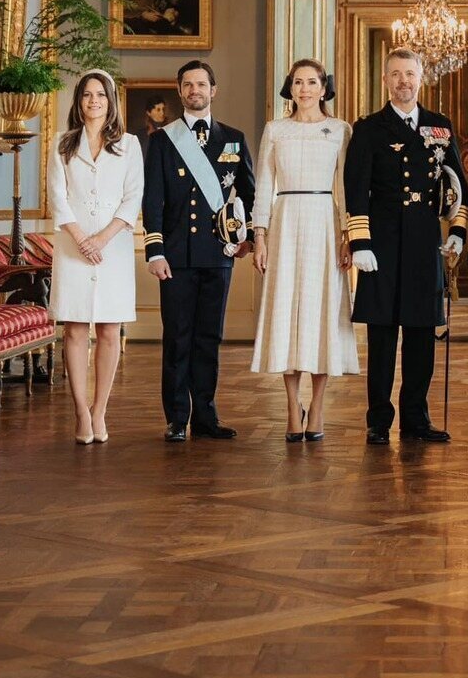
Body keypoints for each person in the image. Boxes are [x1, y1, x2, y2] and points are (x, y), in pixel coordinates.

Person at [343, 47, 468, 445]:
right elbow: (355, 189)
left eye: (409, 74)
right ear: (385, 81)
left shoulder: (439, 126)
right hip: (378, 245)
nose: (403, 81)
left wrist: (458, 231)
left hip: (423, 246)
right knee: (382, 338)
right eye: (395, 74)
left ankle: (416, 418)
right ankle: (378, 420)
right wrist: (359, 240)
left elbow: (459, 186)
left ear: (421, 77)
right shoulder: (368, 128)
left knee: (420, 336)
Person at [143, 59, 255, 441]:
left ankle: (206, 416)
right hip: (175, 255)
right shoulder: (161, 140)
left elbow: (250, 195)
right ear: (180, 91)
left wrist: (248, 238)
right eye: (188, 85)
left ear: (213, 90)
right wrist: (154, 250)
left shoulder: (234, 139)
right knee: (177, 337)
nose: (195, 90)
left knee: (209, 337)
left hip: (217, 254)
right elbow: (153, 199)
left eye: (202, 84)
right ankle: (177, 418)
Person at [251, 59, 358, 439]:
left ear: (324, 87)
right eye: (298, 82)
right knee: (287, 313)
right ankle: (291, 408)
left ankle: (318, 407)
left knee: (323, 313)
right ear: (290, 88)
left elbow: (345, 187)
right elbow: (263, 184)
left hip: (325, 224)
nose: (305, 89)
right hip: (285, 221)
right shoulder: (275, 130)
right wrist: (259, 236)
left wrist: (349, 235)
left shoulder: (340, 130)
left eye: (312, 82)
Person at [48, 70, 144, 445]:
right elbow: (57, 196)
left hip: (113, 247)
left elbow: (132, 196)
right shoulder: (62, 143)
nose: (94, 101)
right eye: (87, 95)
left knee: (108, 329)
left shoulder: (129, 144)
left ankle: (100, 410)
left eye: (100, 95)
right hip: (72, 245)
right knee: (73, 329)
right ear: (79, 101)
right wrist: (80, 238)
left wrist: (101, 239)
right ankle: (80, 412)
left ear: (110, 101)